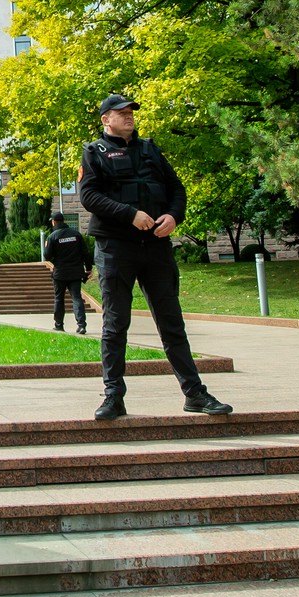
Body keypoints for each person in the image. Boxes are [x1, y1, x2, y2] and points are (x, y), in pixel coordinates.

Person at [79, 94, 232, 420]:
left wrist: (175, 216)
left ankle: (195, 394)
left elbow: (177, 188)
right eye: (121, 113)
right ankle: (113, 397)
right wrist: (129, 214)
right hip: (115, 247)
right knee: (116, 324)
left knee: (172, 322)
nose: (129, 117)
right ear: (106, 119)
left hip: (156, 246)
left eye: (131, 112)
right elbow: (89, 196)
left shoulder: (150, 149)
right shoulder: (94, 152)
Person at [44, 211, 92, 334]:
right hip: (76, 272)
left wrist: (47, 248)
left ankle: (59, 325)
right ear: (63, 221)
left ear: (54, 222)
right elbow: (85, 253)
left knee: (59, 298)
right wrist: (88, 269)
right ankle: (82, 325)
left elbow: (47, 256)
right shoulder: (76, 235)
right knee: (77, 298)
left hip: (60, 273)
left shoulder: (52, 237)